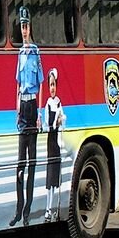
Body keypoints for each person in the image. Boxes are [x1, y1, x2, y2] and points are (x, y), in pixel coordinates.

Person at [11, 6, 42, 227]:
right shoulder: (20, 53)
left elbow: (39, 85)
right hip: (22, 106)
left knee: (32, 163)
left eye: (26, 26)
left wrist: (39, 114)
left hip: (33, 107)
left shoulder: (35, 52)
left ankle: (28, 211)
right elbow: (18, 85)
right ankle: (18, 209)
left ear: (31, 28)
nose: (24, 30)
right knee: (20, 164)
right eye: (21, 26)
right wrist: (16, 110)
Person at [43, 68, 66, 222]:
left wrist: (60, 121)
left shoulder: (58, 102)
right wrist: (53, 123)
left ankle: (56, 209)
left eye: (54, 85)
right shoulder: (48, 104)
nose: (52, 88)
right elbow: (46, 124)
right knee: (50, 177)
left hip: (57, 142)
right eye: (50, 85)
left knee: (56, 178)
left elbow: (64, 122)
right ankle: (47, 209)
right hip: (50, 142)